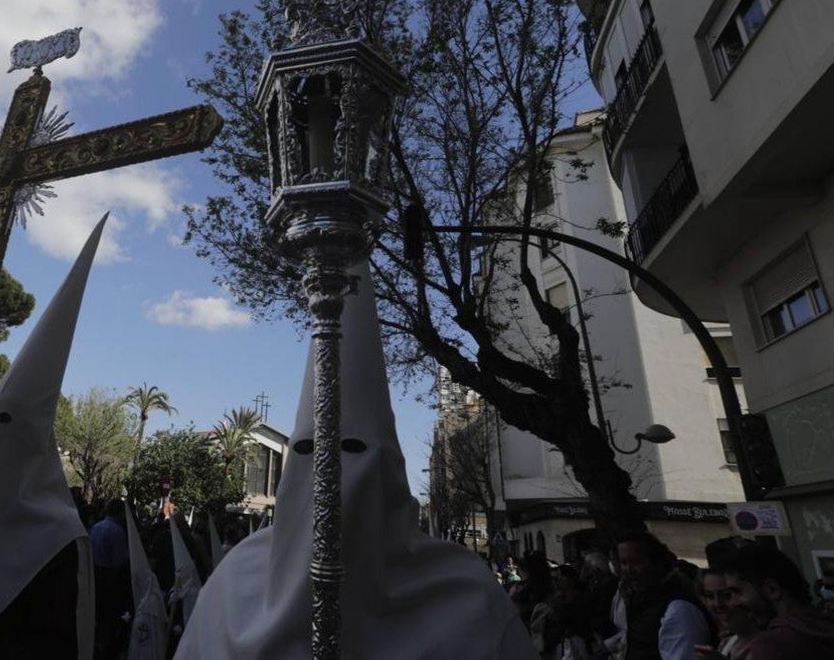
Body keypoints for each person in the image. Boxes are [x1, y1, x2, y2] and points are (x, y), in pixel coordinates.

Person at [177, 266, 534, 659]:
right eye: (309, 450)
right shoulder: (235, 580)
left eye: (351, 447)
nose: (331, 473)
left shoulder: (468, 596)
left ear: (391, 466)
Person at [709, 545, 834, 660]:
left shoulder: (772, 645)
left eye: (738, 592)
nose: (734, 603)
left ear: (772, 589)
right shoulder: (822, 624)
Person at [616, 531, 713, 660]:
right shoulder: (641, 599)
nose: (628, 570)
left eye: (636, 562)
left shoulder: (679, 608)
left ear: (656, 562)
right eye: (623, 563)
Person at [698, 568, 757, 660]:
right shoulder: (727, 643)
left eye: (726, 595)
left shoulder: (767, 644)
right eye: (710, 596)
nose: (717, 604)